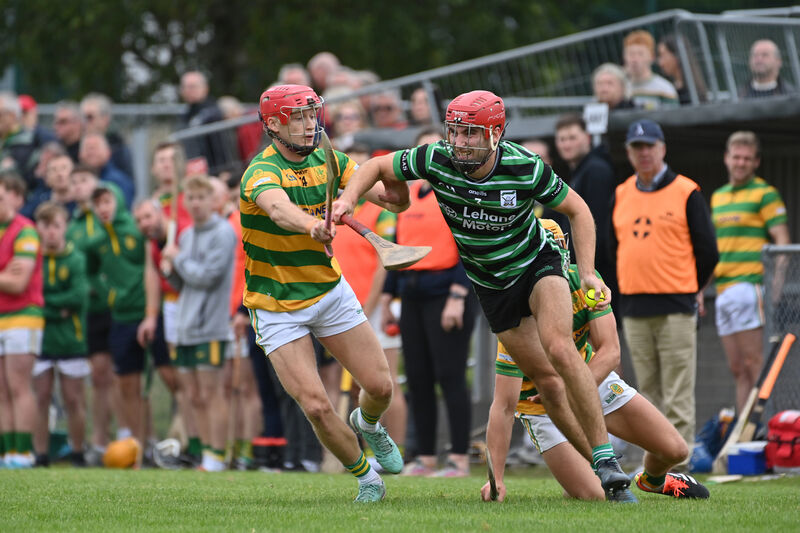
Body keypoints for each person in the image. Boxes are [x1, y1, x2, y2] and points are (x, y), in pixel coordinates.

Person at [333, 89, 634, 501]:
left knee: (560, 348)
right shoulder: (436, 158)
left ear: (495, 134)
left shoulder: (523, 165)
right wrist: (348, 199)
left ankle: (606, 458)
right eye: (455, 131)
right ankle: (608, 477)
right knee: (547, 381)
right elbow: (377, 165)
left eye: (470, 134)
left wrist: (585, 274)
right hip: (493, 290)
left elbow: (579, 210)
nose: (459, 141)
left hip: (536, 265)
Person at [240, 84, 404, 502]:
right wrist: (311, 225)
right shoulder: (261, 171)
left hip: (329, 292)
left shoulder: (332, 160)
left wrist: (397, 191)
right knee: (315, 404)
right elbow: (278, 208)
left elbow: (386, 199)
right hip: (277, 306)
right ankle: (367, 477)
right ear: (274, 124)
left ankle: (368, 423)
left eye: (312, 114)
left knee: (381, 387)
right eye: (298, 116)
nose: (309, 123)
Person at [482, 219, 709, 502]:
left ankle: (652, 481)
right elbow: (504, 405)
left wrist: (573, 388)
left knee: (675, 450)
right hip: (541, 408)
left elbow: (611, 351)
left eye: (554, 250)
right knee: (598, 496)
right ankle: (579, 479)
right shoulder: (513, 312)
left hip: (592, 378)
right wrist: (498, 479)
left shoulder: (584, 282)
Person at [609, 119, 718, 457]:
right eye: (636, 147)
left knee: (677, 393)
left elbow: (708, 251)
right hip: (635, 308)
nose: (644, 153)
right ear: (629, 152)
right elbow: (617, 247)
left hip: (675, 306)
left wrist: (689, 287)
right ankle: (653, 470)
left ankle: (679, 466)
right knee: (647, 395)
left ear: (662, 148)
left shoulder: (687, 191)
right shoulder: (622, 193)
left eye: (649, 146)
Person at [379, 128, 475, 477]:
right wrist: (389, 294)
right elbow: (398, 247)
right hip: (412, 291)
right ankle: (427, 457)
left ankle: (461, 458)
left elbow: (471, 249)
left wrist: (457, 297)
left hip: (446, 292)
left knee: (450, 375)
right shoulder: (409, 195)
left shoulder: (458, 192)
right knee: (417, 377)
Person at [333, 143, 407, 468]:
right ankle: (366, 453)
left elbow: (384, 262)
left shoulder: (380, 211)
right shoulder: (337, 210)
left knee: (387, 383)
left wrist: (370, 305)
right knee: (357, 386)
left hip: (373, 307)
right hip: (342, 306)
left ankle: (399, 450)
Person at [161, 175, 236, 472]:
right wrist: (169, 270)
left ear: (213, 201)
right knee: (192, 395)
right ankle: (204, 451)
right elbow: (184, 283)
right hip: (186, 325)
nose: (195, 203)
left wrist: (178, 261)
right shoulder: (186, 235)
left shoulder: (222, 232)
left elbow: (207, 278)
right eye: (190, 198)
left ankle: (217, 455)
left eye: (201, 197)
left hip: (211, 325)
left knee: (211, 393)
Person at [710, 131, 790, 413]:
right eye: (736, 157)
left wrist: (775, 287)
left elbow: (782, 239)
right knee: (737, 369)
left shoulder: (765, 193)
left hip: (750, 286)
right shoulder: (718, 197)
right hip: (723, 290)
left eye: (747, 158)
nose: (740, 163)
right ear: (726, 158)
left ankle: (764, 431)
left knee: (756, 364)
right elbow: (715, 249)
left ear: (756, 162)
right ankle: (740, 435)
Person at [66, 165, 122, 464]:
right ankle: (99, 440)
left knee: (124, 374)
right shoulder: (72, 225)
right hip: (88, 310)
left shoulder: (106, 219)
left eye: (84, 180)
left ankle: (133, 436)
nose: (78, 186)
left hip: (115, 305)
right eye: (74, 182)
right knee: (98, 374)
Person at [87, 184, 147, 445]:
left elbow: (150, 265)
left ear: (119, 201)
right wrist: (107, 294)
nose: (103, 208)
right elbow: (89, 272)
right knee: (126, 382)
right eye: (97, 203)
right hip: (121, 316)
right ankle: (137, 444)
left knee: (166, 378)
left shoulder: (136, 230)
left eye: (107, 201)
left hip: (147, 314)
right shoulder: (96, 241)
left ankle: (155, 440)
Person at [32, 201, 89, 467]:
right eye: (46, 226)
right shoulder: (32, 259)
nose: (52, 232)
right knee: (41, 398)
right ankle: (40, 455)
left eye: (56, 226)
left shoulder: (75, 259)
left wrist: (46, 305)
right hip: (40, 339)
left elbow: (78, 297)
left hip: (70, 338)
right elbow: (32, 298)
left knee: (73, 399)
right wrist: (56, 308)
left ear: (64, 227)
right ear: (39, 229)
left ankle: (78, 452)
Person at [553, 114, 618, 321]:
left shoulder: (596, 171)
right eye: (562, 139)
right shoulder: (580, 172)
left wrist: (585, 272)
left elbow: (596, 225)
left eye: (572, 138)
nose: (566, 144)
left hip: (594, 275)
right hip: (582, 272)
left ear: (587, 139)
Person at [0, 170, 43, 468]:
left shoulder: (25, 230)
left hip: (23, 315)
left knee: (18, 385)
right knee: (1, 389)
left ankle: (24, 452)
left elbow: (17, 283)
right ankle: (7, 451)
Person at [178, 70, 234, 175]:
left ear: (205, 88)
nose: (188, 91)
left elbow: (222, 147)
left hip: (214, 173)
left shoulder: (213, 114)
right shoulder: (185, 115)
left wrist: (224, 172)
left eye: (192, 86)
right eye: (185, 87)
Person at [80, 93, 134, 178]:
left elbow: (127, 184)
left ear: (105, 119)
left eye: (89, 117)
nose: (84, 122)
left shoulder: (119, 149)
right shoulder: (74, 145)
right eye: (82, 117)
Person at [622, 30, 679, 110]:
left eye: (640, 54)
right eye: (631, 54)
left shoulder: (664, 88)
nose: (634, 59)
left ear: (652, 57)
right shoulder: (620, 89)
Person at [78, 133, 134, 208]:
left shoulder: (119, 181)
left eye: (95, 148)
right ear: (80, 154)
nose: (91, 152)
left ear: (108, 152)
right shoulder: (74, 181)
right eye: (87, 148)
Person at [657, 34, 708, 105]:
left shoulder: (693, 94)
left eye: (663, 55)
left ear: (677, 56)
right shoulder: (668, 87)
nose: (660, 63)